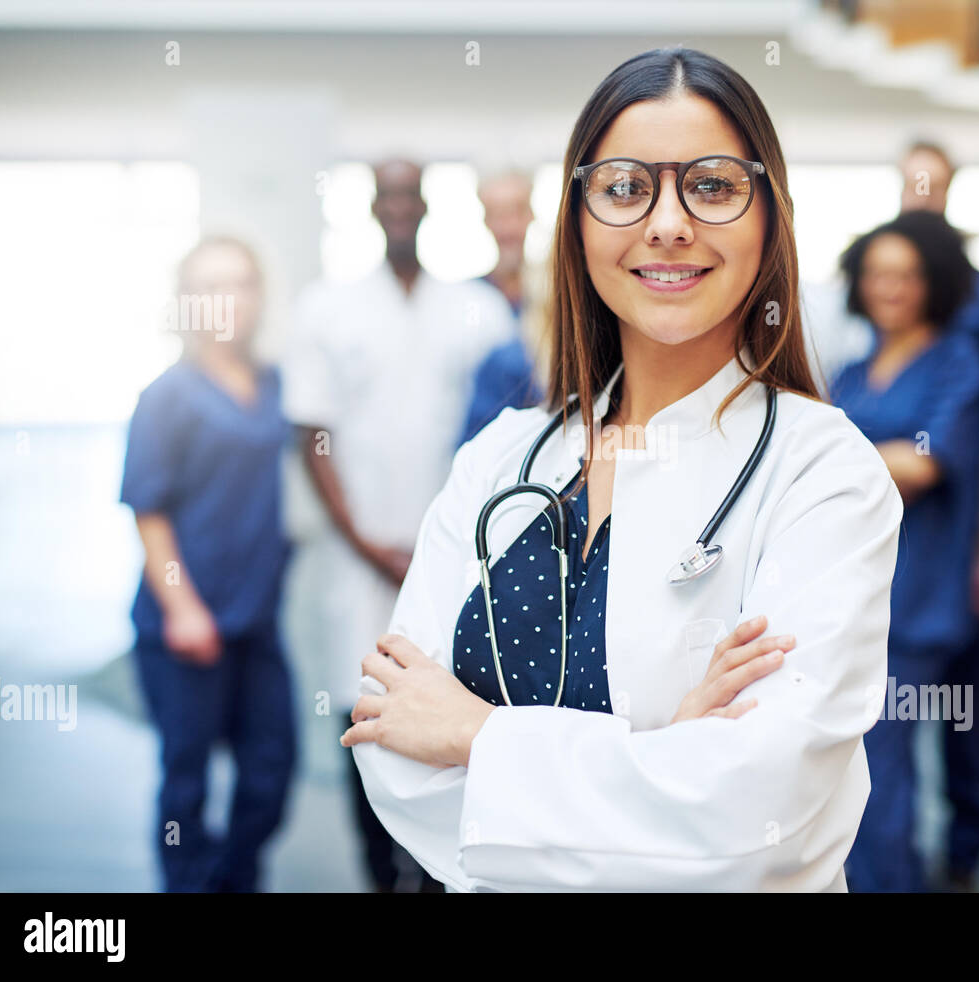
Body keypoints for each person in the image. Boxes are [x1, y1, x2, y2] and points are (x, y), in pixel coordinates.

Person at [335, 46, 904, 892]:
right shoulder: (500, 455)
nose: (668, 222)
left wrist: (478, 739)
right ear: (577, 221)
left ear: (769, 219)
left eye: (711, 186)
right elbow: (397, 752)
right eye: (625, 187)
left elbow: (758, 815)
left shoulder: (825, 474)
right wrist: (660, 759)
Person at [281, 159, 516, 893]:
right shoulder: (326, 307)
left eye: (411, 196)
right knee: (366, 712)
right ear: (372, 210)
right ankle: (378, 874)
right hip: (362, 557)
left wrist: (447, 545)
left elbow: (508, 433)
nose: (399, 209)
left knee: (455, 706)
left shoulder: (478, 311)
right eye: (387, 197)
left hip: (459, 555)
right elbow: (311, 435)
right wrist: (364, 541)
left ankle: (440, 871)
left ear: (427, 207)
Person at [120, 236, 296, 892]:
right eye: (212, 284)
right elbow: (149, 513)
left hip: (256, 622)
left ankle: (229, 882)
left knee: (271, 770)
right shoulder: (166, 396)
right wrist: (182, 606)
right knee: (186, 779)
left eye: (242, 282)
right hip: (185, 627)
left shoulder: (275, 384)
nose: (229, 298)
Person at [829, 211, 979, 892]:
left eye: (905, 276)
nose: (887, 289)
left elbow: (923, 464)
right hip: (850, 588)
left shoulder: (959, 362)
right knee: (856, 759)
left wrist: (827, 460)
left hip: (921, 592)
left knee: (882, 757)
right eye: (875, 275)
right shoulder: (851, 370)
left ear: (934, 283)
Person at [898, 139, 979, 888]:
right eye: (910, 183)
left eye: (932, 184)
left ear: (951, 190)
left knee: (965, 713)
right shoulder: (885, 285)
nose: (920, 196)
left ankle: (967, 846)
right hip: (902, 546)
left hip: (962, 528)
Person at [457, 166, 545, 447]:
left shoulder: (557, 299)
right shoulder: (463, 301)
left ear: (532, 214)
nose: (508, 227)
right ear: (485, 220)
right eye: (498, 215)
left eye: (516, 212)